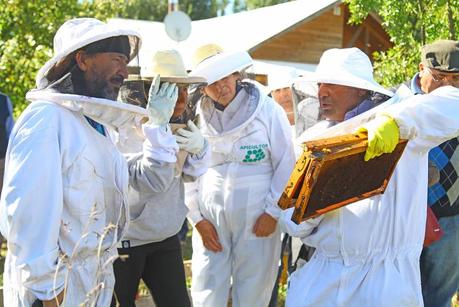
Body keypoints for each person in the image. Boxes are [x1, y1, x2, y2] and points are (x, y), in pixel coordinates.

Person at [0, 18, 175, 306]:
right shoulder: (46, 118)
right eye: (117, 59)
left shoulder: (98, 127)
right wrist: (49, 292)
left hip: (92, 279)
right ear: (82, 59)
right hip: (54, 289)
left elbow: (146, 181)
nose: (124, 71)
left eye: (126, 61)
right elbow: (28, 213)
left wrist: (158, 129)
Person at [281, 47, 459, 306]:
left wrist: (396, 123)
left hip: (386, 281)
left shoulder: (402, 119)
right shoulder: (313, 141)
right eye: (320, 84)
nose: (322, 92)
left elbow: (453, 103)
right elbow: (290, 222)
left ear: (361, 89)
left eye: (333, 84)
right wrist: (314, 204)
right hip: (323, 276)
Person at [185, 44, 296, 307]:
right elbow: (187, 170)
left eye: (225, 77)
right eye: (213, 82)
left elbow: (286, 163)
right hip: (210, 217)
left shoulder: (268, 111)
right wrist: (197, 219)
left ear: (237, 75)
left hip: (259, 215)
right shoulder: (195, 116)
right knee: (207, 285)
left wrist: (273, 212)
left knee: (255, 287)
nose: (221, 86)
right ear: (203, 88)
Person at [111, 49, 209, 307]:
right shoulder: (122, 126)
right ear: (149, 90)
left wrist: (201, 150)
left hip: (165, 236)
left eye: (184, 88)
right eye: (172, 88)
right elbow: (150, 181)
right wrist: (156, 130)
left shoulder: (181, 123)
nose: (182, 96)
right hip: (125, 241)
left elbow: (190, 174)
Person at [406, 40, 459, 307]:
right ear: (421, 69)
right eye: (439, 77)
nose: (448, 86)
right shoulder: (397, 104)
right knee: (398, 293)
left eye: (456, 79)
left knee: (438, 297)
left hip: (452, 219)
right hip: (402, 219)